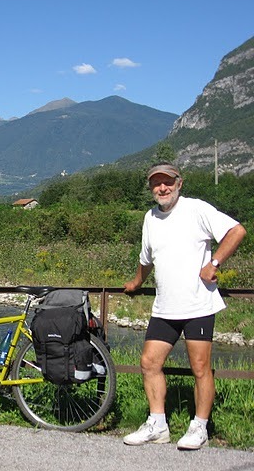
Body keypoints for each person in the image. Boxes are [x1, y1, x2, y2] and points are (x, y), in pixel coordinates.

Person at [122, 162, 246, 450]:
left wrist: (214, 264)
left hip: (197, 304)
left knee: (200, 368)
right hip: (164, 307)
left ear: (180, 183)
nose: (162, 188)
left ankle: (199, 427)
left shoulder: (196, 209)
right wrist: (136, 282)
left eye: (168, 182)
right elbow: (146, 259)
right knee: (149, 363)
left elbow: (237, 231)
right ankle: (157, 424)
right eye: (156, 183)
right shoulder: (150, 217)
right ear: (151, 188)